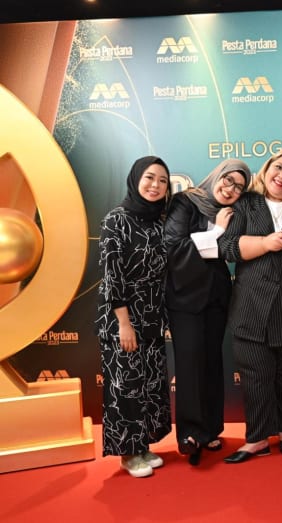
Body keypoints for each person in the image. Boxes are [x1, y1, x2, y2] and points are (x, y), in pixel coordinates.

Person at [217, 149, 282, 463]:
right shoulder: (245, 204)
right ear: (267, 169)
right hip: (251, 307)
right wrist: (264, 243)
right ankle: (257, 438)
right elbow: (227, 247)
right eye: (278, 168)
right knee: (255, 378)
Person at [164, 158, 251, 466]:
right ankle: (190, 434)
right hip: (185, 298)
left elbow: (228, 251)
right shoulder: (186, 201)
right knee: (189, 364)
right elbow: (173, 246)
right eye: (228, 180)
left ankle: (211, 428)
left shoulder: (231, 212)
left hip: (216, 297)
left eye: (239, 187)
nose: (231, 189)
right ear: (217, 176)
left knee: (212, 362)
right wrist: (217, 230)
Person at [96, 156, 172, 478]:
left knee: (149, 385)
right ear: (136, 179)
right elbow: (112, 275)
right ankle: (128, 454)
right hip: (122, 316)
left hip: (152, 314)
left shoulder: (159, 221)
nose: (155, 185)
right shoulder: (116, 219)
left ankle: (142, 446)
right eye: (150, 177)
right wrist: (124, 323)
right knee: (126, 386)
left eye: (163, 181)